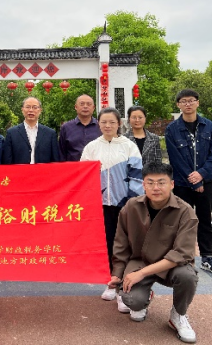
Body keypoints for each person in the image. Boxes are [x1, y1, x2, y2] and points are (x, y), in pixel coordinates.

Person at [108, 162, 199, 344]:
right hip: (139, 261)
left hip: (171, 266)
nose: (155, 188)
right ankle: (145, 296)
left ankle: (178, 315)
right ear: (143, 185)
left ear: (172, 184)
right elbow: (121, 245)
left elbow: (181, 254)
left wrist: (141, 273)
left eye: (161, 182)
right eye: (150, 183)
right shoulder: (131, 207)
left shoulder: (185, 212)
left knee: (188, 276)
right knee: (131, 300)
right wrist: (117, 274)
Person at [80, 107, 144, 303]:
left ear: (119, 124)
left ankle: (125, 286)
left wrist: (131, 202)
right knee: (107, 243)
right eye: (104, 122)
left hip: (125, 204)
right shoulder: (91, 147)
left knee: (126, 244)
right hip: (101, 204)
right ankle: (110, 283)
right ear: (98, 124)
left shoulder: (129, 146)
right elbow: (82, 175)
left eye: (112, 122)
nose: (107, 126)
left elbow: (137, 176)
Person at [165, 89, 212, 277]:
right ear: (178, 105)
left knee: (205, 220)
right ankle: (183, 259)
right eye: (184, 101)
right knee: (183, 222)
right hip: (183, 184)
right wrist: (193, 181)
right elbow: (175, 159)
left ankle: (208, 258)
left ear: (197, 102)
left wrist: (201, 174)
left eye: (191, 100)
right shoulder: (172, 129)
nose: (188, 104)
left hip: (205, 182)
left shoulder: (209, 127)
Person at [2, 97, 61, 165]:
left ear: (40, 110)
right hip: (20, 171)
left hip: (42, 171)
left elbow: (55, 161)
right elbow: (7, 161)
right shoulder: (12, 133)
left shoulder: (50, 134)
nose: (31, 110)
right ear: (22, 109)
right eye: (28, 107)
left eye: (35, 107)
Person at [59, 95, 102, 162]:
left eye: (89, 104)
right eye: (82, 104)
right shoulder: (66, 127)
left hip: (96, 166)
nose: (85, 106)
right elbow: (61, 153)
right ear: (76, 107)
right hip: (74, 167)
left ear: (93, 107)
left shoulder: (101, 126)